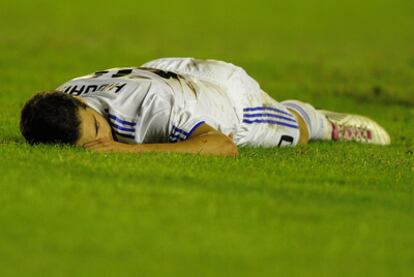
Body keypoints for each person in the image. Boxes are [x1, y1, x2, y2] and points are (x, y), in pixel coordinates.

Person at [20, 58, 391, 156]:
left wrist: (126, 150)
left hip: (228, 97)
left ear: (79, 105)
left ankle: (324, 121)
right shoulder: (65, 94)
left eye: (97, 130)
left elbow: (222, 146)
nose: (100, 139)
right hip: (169, 73)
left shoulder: (153, 109)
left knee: (297, 134)